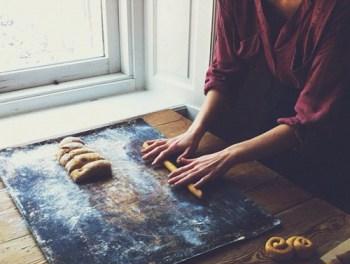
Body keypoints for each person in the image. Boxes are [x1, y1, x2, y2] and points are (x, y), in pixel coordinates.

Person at [142, 0, 350, 208]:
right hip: (276, 120)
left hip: (335, 135)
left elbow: (311, 119)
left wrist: (228, 155)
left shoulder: (337, 11)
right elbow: (224, 72)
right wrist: (193, 132)